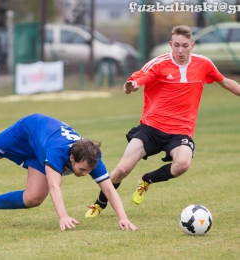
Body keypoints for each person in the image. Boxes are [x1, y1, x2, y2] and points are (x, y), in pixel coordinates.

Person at [85, 25, 240, 217]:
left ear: (192, 45)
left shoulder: (204, 64)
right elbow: (133, 84)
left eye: (185, 46)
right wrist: (129, 87)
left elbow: (225, 82)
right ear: (170, 44)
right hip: (150, 129)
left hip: (180, 131)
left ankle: (147, 180)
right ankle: (100, 203)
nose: (180, 50)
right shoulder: (158, 64)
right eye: (176, 45)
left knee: (182, 164)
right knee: (122, 169)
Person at [0, 113, 137, 231]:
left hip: (42, 145)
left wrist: (123, 218)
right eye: (82, 169)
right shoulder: (57, 152)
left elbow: (109, 189)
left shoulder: (93, 158)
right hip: (27, 131)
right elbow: (54, 186)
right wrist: (63, 216)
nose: (85, 174)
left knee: (33, 198)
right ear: (71, 157)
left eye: (88, 171)